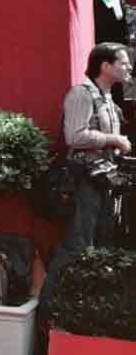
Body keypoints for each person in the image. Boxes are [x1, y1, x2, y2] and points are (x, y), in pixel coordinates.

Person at [40, 43, 133, 315]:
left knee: (101, 241)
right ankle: (48, 309)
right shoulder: (81, 94)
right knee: (77, 244)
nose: (129, 67)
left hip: (103, 180)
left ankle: (90, 308)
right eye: (124, 62)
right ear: (105, 66)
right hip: (83, 180)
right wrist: (114, 138)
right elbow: (75, 136)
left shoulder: (106, 97)